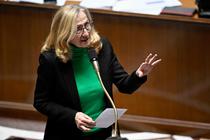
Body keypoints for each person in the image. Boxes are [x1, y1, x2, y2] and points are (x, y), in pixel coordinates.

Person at [33, 4, 161, 140]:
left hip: (102, 133)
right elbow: (41, 102)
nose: (86, 33)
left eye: (87, 25)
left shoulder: (101, 47)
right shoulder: (51, 59)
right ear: (64, 32)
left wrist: (139, 74)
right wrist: (73, 116)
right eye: (78, 29)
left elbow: (125, 85)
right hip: (67, 133)